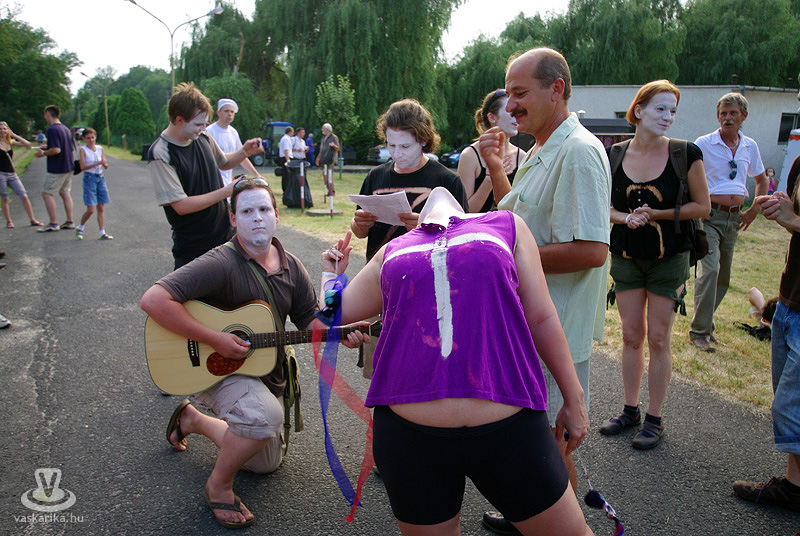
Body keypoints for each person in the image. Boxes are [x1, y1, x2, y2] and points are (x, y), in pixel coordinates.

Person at [322, 187, 592, 536]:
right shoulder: (391, 251)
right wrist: (331, 273)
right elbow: (333, 313)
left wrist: (574, 397)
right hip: (410, 440)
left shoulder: (506, 225)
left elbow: (542, 317)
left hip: (510, 431)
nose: (436, 193)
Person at [141, 178, 364, 529]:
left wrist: (331, 279)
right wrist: (215, 338)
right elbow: (153, 300)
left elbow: (313, 324)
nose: (257, 217)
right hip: (213, 367)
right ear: (233, 219)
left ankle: (193, 420)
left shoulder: (291, 266)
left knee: (265, 463)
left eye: (263, 209)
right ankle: (218, 486)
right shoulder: (220, 262)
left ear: (276, 215)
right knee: (262, 418)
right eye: (246, 211)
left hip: (258, 372)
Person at [478, 47, 611, 535]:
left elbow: (592, 250)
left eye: (519, 93)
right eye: (508, 94)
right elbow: (516, 223)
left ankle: (561, 527)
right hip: (532, 323)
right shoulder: (543, 147)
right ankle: (532, 519)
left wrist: (509, 257)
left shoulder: (577, 152)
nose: (509, 105)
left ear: (556, 90)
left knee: (551, 444)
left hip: (557, 325)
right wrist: (496, 169)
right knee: (533, 440)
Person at [598, 80, 710, 450]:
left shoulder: (685, 153)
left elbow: (703, 206)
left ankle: (654, 418)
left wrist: (656, 214)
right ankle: (630, 410)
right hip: (627, 257)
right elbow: (604, 206)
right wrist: (624, 218)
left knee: (659, 337)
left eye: (672, 110)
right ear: (639, 110)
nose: (668, 117)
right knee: (632, 336)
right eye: (661, 108)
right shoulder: (614, 155)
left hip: (669, 258)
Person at [350, 99, 469, 378]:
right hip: (381, 285)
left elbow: (462, 241)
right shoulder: (375, 176)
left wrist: (426, 226)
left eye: (405, 146)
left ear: (424, 140)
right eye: (390, 145)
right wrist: (359, 225)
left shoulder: (447, 181)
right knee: (380, 372)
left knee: (423, 370)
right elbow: (359, 233)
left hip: (428, 289)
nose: (396, 153)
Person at [732, 155, 800, 513]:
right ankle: (794, 486)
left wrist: (794, 219)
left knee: (789, 409)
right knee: (790, 408)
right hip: (791, 301)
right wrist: (782, 214)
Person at [147, 82, 264, 269]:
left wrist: (244, 151)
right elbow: (181, 206)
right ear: (179, 119)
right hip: (194, 247)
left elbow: (223, 162)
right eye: (198, 124)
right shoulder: (161, 153)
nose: (203, 128)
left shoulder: (203, 136)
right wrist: (227, 191)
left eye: (205, 123)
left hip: (225, 236)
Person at [689, 92, 768, 352]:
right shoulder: (704, 143)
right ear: (717, 116)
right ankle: (699, 332)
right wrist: (699, 207)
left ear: (744, 116)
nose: (727, 118)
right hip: (710, 216)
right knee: (710, 270)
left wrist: (754, 209)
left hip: (734, 218)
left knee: (723, 276)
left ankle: (705, 323)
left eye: (733, 113)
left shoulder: (749, 146)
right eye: (723, 113)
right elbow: (688, 176)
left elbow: (762, 179)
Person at [457, 89, 523, 213]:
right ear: (492, 117)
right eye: (509, 111)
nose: (516, 115)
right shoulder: (470, 156)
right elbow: (464, 212)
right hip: (477, 225)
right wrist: (490, 178)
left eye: (516, 110)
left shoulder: (523, 157)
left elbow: (519, 210)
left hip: (509, 225)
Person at [34, 105, 75, 232]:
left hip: (57, 168)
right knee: (65, 193)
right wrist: (47, 147)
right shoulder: (65, 129)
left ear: (47, 113)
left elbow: (56, 150)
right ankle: (70, 221)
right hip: (68, 166)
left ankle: (53, 223)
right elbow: (66, 147)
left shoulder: (52, 129)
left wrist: (43, 153)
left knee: (47, 194)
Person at [205, 98, 262, 188]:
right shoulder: (209, 131)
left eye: (232, 112)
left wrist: (257, 175)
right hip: (212, 181)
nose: (230, 114)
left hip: (227, 181)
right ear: (218, 113)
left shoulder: (233, 132)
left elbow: (242, 156)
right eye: (226, 111)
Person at [0, 121, 43, 228]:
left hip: (12, 173)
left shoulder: (10, 142)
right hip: (1, 174)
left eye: (4, 129)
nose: (2, 131)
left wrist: (14, 135)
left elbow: (27, 144)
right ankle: (9, 222)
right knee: (5, 197)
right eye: (0, 129)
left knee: (23, 195)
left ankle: (32, 219)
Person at [74, 128, 113, 240]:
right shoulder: (83, 150)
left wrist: (104, 164)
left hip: (100, 178)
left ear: (95, 137)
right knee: (91, 209)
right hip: (89, 178)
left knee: (101, 207)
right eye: (88, 138)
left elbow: (105, 163)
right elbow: (82, 167)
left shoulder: (100, 149)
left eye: (92, 137)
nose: (91, 140)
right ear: (84, 139)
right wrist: (97, 163)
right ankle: (80, 227)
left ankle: (102, 232)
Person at [315, 123, 340, 195]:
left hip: (330, 159)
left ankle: (332, 191)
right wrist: (318, 158)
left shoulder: (334, 137)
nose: (322, 130)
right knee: (325, 176)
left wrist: (333, 145)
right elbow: (321, 149)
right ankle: (329, 190)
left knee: (329, 176)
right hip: (323, 159)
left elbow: (338, 148)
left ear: (327, 129)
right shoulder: (323, 138)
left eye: (323, 128)